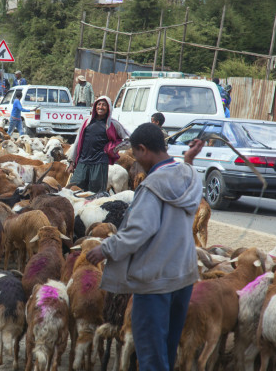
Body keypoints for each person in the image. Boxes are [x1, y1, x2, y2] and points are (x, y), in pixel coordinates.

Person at [86, 123, 204, 371]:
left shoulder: (152, 186)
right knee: (168, 349)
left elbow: (138, 230)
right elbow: (181, 193)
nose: (136, 161)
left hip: (155, 280)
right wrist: (188, 160)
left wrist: (105, 249)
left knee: (150, 353)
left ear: (143, 149)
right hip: (182, 276)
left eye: (136, 154)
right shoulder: (189, 176)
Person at [67, 96, 129, 193]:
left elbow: (129, 140)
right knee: (74, 189)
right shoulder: (87, 121)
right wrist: (72, 162)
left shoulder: (113, 124)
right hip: (83, 162)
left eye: (104, 105)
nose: (101, 107)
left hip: (100, 164)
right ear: (95, 106)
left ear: (109, 108)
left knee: (95, 193)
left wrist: (114, 147)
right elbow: (77, 141)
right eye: (99, 104)